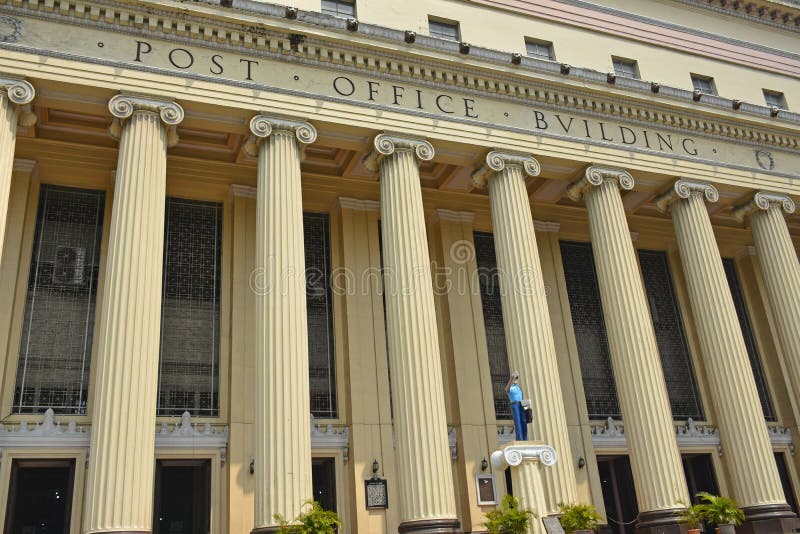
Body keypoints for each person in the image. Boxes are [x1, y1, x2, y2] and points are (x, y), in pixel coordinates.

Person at [505, 371, 528, 441]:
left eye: (516, 379)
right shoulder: (510, 387)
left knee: (524, 421)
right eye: (515, 379)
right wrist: (511, 378)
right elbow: (506, 389)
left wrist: (526, 406)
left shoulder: (518, 388)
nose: (516, 380)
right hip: (515, 404)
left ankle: (525, 438)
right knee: (518, 421)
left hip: (522, 404)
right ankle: (520, 439)